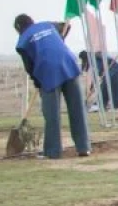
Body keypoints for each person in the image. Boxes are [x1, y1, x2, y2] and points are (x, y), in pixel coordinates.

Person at [14, 15, 90, 159]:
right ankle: (84, 148)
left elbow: (29, 66)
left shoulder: (22, 41)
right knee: (77, 109)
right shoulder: (48, 25)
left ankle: (53, 152)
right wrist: (60, 37)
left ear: (19, 29)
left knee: (52, 114)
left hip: (48, 72)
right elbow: (66, 26)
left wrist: (37, 82)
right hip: (69, 64)